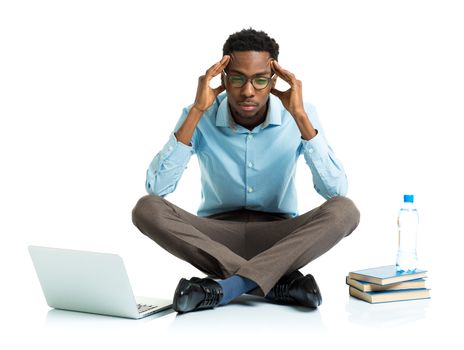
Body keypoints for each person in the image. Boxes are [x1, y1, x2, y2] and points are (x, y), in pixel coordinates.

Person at [132, 28, 360, 314]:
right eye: (238, 78)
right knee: (146, 209)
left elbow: (335, 191)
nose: (248, 91)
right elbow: (158, 189)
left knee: (345, 210)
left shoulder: (300, 113)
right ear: (223, 77)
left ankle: (227, 288)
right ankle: (275, 281)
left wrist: (300, 118)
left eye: (260, 80)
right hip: (215, 238)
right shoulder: (200, 112)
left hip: (279, 237)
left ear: (273, 80)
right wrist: (196, 112)